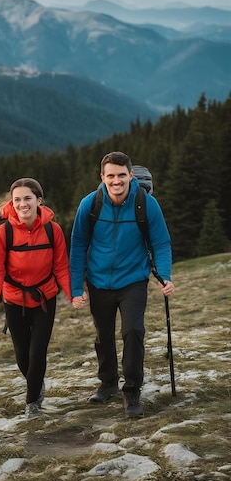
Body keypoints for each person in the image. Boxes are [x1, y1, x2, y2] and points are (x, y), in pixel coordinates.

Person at [70, 151, 174, 418]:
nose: (116, 181)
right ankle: (108, 384)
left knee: (133, 331)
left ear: (130, 175)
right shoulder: (90, 204)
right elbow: (78, 245)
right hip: (98, 281)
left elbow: (161, 242)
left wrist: (164, 275)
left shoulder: (146, 204)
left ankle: (132, 391)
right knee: (103, 336)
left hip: (133, 281)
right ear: (102, 177)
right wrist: (75, 286)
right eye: (111, 176)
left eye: (121, 175)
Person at [0, 177, 72, 419]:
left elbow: (61, 266)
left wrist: (72, 294)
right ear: (12, 202)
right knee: (22, 353)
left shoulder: (53, 230)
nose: (23, 204)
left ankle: (32, 402)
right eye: (17, 199)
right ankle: (37, 383)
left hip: (45, 297)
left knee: (37, 352)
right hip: (14, 299)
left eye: (28, 198)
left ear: (39, 201)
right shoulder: (4, 233)